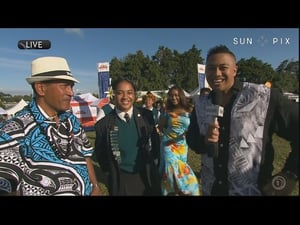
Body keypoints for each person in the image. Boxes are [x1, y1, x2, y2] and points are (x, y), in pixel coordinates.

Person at [186, 45, 299, 196]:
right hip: (211, 190)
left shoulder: (263, 97)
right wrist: (205, 140)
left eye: (223, 67)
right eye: (211, 68)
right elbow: (192, 140)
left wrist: (288, 178)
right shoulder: (200, 103)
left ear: (235, 70)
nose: (216, 73)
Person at [0, 56, 101, 196]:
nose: (71, 92)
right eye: (64, 86)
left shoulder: (72, 121)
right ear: (41, 88)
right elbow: (6, 184)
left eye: (71, 86)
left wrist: (95, 186)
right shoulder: (15, 130)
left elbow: (85, 155)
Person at [94, 77, 161, 196]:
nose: (125, 97)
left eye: (129, 92)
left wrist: (153, 165)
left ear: (134, 95)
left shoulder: (147, 116)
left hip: (147, 175)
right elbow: (100, 154)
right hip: (121, 180)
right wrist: (111, 171)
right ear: (114, 95)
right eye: (120, 93)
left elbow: (155, 144)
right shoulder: (104, 124)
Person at [158, 86, 200, 196]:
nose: (173, 97)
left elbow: (194, 127)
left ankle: (188, 190)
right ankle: (171, 192)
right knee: (171, 168)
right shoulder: (167, 111)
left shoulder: (189, 110)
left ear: (180, 96)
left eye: (176, 95)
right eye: (171, 95)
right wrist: (165, 129)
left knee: (182, 168)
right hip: (168, 144)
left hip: (182, 145)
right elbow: (161, 127)